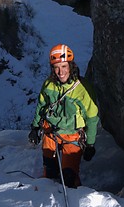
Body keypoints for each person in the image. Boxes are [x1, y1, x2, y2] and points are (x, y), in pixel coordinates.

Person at [28, 43, 98, 188]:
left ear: (71, 66)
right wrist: (35, 127)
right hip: (50, 132)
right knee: (50, 171)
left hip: (72, 135)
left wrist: (90, 144)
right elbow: (41, 107)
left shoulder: (82, 89)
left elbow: (92, 118)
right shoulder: (49, 85)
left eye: (64, 66)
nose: (60, 72)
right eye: (56, 67)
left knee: (69, 178)